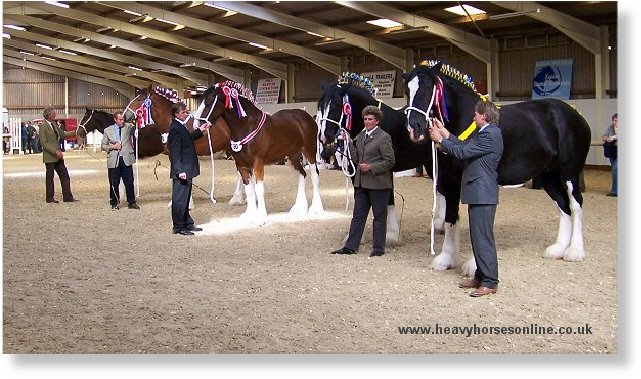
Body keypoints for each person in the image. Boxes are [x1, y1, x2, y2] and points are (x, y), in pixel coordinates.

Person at [428, 100, 503, 297]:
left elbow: (462, 152)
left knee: (484, 238)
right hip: (478, 193)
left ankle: (490, 281)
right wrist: (444, 133)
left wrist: (439, 141)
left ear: (484, 116)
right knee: (478, 238)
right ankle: (480, 276)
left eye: (476, 115)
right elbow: (463, 144)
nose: (474, 117)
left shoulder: (491, 134)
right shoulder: (485, 133)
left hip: (483, 193)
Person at [330, 105, 395, 257]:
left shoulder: (384, 137)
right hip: (361, 183)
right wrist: (347, 144)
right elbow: (355, 158)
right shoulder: (360, 136)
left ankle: (378, 249)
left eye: (370, 119)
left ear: (377, 121)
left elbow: (390, 161)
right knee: (358, 216)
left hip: (379, 184)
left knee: (379, 217)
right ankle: (350, 246)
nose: (367, 122)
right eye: (365, 119)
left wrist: (371, 167)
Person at [168, 102, 209, 235]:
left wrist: (200, 131)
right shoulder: (175, 128)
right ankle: (179, 226)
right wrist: (179, 170)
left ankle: (187, 222)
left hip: (187, 167)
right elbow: (174, 151)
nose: (186, 114)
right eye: (183, 112)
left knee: (185, 198)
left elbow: (187, 140)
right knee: (179, 199)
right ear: (176, 114)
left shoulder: (181, 126)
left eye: (186, 111)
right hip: (182, 169)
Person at [101, 111, 139, 210]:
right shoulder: (107, 130)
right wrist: (113, 147)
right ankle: (114, 202)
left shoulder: (128, 127)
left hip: (126, 158)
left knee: (129, 181)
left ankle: (131, 202)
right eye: (120, 120)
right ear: (115, 119)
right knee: (114, 182)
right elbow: (103, 146)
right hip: (114, 160)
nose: (122, 121)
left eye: (123, 119)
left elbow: (137, 122)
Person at [39, 106, 78, 203]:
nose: (55, 115)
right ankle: (49, 197)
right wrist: (55, 151)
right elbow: (44, 143)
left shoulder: (54, 124)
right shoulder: (43, 126)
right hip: (50, 157)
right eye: (53, 114)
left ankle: (68, 197)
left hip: (58, 157)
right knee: (50, 178)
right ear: (48, 115)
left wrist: (76, 132)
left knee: (65, 175)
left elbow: (62, 134)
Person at [602, 113, 618, 197]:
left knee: (615, 169)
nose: (615, 122)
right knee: (615, 169)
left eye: (616, 120)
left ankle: (615, 191)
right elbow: (604, 136)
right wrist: (607, 139)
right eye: (614, 120)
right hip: (613, 150)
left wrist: (615, 136)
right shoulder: (610, 127)